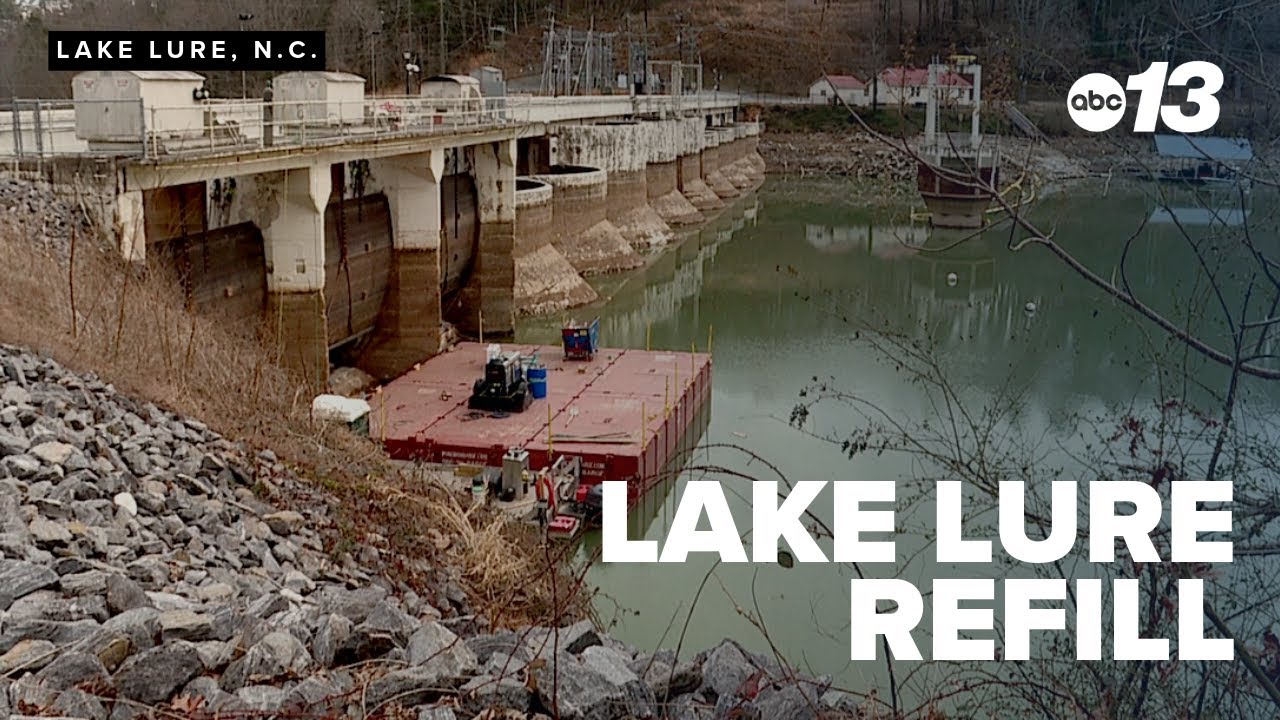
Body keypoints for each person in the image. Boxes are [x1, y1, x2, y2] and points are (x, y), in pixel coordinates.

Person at [262, 81, 274, 147]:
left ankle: (266, 141)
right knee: (269, 124)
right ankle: (269, 142)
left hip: (265, 107)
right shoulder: (270, 91)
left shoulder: (264, 91)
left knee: (266, 124)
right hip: (269, 107)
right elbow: (271, 98)